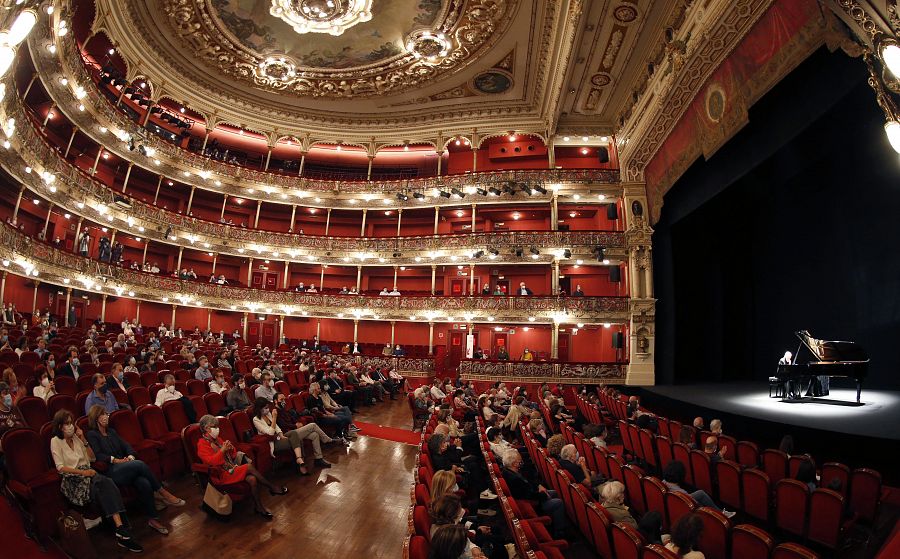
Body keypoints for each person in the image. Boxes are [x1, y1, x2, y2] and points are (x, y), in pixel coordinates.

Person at [49, 410, 143, 552]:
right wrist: (83, 472)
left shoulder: (76, 438)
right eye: (67, 424)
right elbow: (60, 468)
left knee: (106, 483)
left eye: (71, 423)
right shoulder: (55, 441)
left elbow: (92, 458)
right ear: (60, 426)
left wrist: (83, 439)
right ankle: (122, 529)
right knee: (104, 483)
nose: (70, 427)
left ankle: (120, 530)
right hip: (73, 480)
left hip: (90, 474)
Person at [85, 405, 185, 534]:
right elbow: (97, 455)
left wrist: (130, 456)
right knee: (139, 464)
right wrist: (116, 460)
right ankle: (163, 492)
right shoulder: (92, 434)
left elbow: (127, 446)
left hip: (125, 466)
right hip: (111, 471)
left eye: (106, 414)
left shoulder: (112, 432)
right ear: (96, 418)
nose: (106, 417)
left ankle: (153, 519)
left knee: (144, 483)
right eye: (102, 415)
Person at [196, 415, 286, 520]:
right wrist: (222, 451)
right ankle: (272, 487)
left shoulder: (218, 440)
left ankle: (259, 507)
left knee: (252, 479)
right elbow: (212, 462)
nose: (217, 429)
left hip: (231, 468)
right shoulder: (202, 444)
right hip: (221, 474)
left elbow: (233, 455)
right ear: (207, 428)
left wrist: (230, 448)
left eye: (217, 426)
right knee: (248, 466)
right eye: (214, 426)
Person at [501, 447, 566, 538]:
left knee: (554, 492)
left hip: (533, 494)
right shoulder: (514, 479)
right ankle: (560, 532)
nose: (522, 462)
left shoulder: (510, 471)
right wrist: (544, 495)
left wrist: (539, 485)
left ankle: (554, 520)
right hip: (533, 503)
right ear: (514, 464)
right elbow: (528, 495)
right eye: (520, 461)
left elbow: (528, 481)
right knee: (558, 503)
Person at [251, 398, 314, 475]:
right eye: (265, 408)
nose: (268, 410)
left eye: (268, 407)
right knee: (298, 440)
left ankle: (299, 460)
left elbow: (276, 427)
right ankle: (301, 463)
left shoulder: (268, 414)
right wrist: (274, 418)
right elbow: (270, 433)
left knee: (294, 433)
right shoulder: (256, 419)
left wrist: (282, 435)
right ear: (259, 408)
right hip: (272, 442)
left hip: (278, 437)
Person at [662, 461, 735, 518]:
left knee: (700, 493)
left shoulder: (663, 481)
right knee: (701, 501)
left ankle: (721, 511)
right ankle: (720, 514)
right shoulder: (683, 494)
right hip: (688, 509)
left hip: (674, 499)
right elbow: (696, 506)